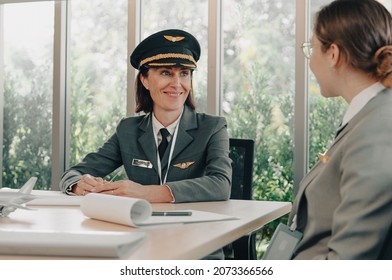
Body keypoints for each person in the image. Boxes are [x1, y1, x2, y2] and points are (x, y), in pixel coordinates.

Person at [60, 29, 232, 205]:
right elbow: (73, 174)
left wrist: (145, 192)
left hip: (196, 227)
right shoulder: (128, 130)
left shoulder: (213, 127)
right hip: (138, 225)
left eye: (184, 73)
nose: (177, 84)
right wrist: (78, 184)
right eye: (166, 72)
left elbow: (221, 184)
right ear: (145, 80)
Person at [289, 0, 392, 259]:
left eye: (312, 48)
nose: (311, 62)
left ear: (333, 54)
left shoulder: (377, 128)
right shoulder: (368, 116)